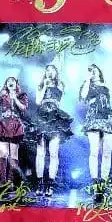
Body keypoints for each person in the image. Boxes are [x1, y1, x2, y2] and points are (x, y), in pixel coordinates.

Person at [32, 64, 73, 197]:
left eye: (52, 70)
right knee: (40, 153)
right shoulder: (40, 86)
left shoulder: (60, 84)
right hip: (42, 117)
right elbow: (38, 101)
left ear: (56, 72)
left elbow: (60, 94)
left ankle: (50, 184)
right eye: (47, 70)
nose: (49, 72)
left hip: (55, 118)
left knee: (53, 153)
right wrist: (44, 85)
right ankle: (40, 183)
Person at [79, 63, 112, 193]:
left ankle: (103, 183)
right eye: (90, 70)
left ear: (98, 70)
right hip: (94, 117)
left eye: (94, 69)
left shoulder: (106, 84)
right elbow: (83, 96)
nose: (93, 71)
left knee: (107, 152)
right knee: (94, 151)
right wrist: (87, 79)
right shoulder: (87, 84)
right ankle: (95, 183)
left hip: (107, 117)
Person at [0, 76, 29, 185]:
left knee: (13, 155)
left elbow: (23, 108)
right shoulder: (3, 96)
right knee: (3, 154)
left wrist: (15, 97)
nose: (10, 82)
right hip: (4, 124)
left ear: (16, 84)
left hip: (15, 125)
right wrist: (0, 88)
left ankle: (10, 181)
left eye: (12, 81)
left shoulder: (22, 95)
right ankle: (3, 179)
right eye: (8, 81)